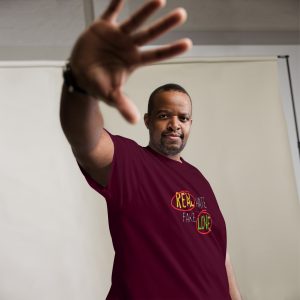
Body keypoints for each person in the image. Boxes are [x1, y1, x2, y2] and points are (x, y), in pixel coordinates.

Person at [60, 0, 242, 299]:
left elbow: (220, 255)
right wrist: (80, 84)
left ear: (190, 123)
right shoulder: (131, 162)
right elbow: (85, 141)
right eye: (163, 116)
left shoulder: (198, 178)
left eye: (182, 118)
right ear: (148, 121)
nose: (174, 124)